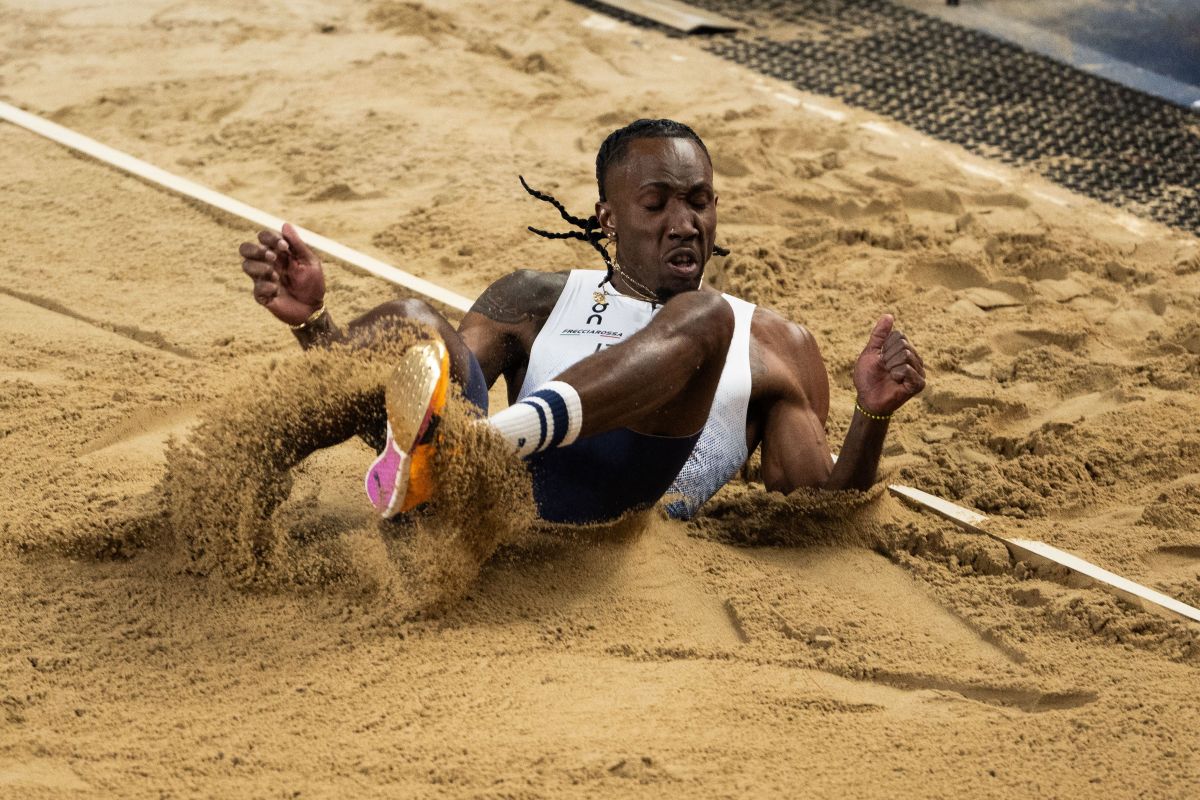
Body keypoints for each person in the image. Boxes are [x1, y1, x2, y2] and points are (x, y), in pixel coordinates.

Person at [238, 119, 926, 525]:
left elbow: (813, 508)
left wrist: (872, 416)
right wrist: (317, 328)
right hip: (501, 502)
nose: (684, 223)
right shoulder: (535, 298)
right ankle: (238, 483)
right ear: (609, 217)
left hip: (612, 507)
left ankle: (493, 440)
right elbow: (416, 409)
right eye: (656, 203)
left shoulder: (772, 341)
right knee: (409, 320)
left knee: (703, 314)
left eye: (699, 201)